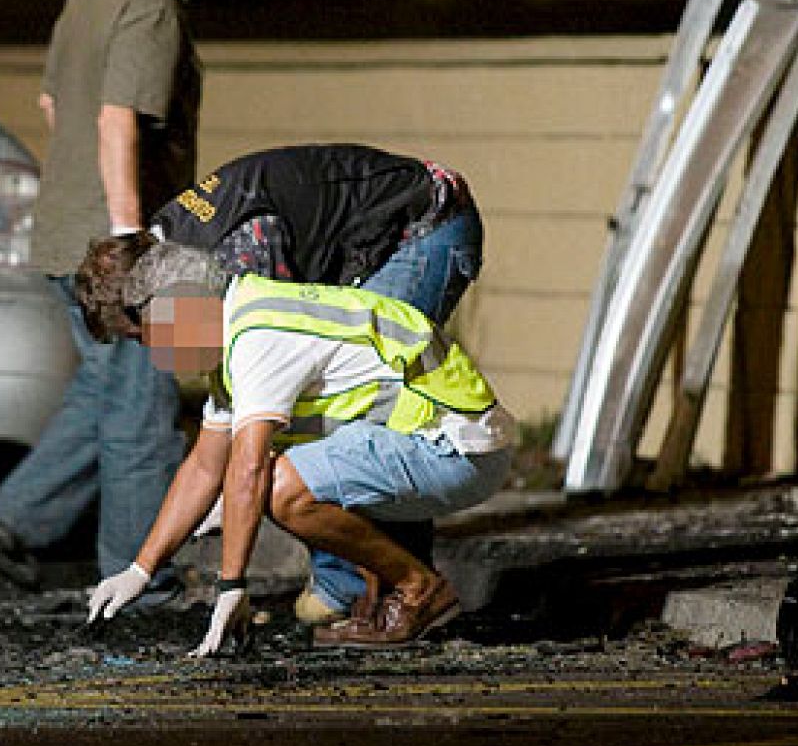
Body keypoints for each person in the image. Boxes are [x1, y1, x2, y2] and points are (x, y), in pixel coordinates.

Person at [0, 0, 236, 594]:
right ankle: (134, 574)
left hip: (60, 232)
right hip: (111, 239)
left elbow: (57, 104)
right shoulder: (150, 3)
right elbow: (119, 119)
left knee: (104, 389)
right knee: (143, 411)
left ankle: (11, 523)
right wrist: (131, 240)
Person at [77, 143, 483, 626]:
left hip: (423, 226)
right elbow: (214, 448)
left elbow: (259, 428)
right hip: (368, 238)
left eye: (137, 335)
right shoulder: (168, 264)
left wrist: (232, 574)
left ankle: (390, 588)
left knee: (352, 415)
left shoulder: (238, 264)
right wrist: (141, 569)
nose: (148, 350)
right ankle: (367, 579)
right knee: (310, 429)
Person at [86, 242, 513, 653]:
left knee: (281, 487)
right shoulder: (235, 323)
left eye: (152, 333)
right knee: (281, 471)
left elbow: (247, 471)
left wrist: (232, 586)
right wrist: (140, 569)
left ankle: (421, 590)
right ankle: (383, 590)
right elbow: (204, 465)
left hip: (455, 447)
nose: (154, 349)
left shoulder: (257, 338)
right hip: (439, 439)